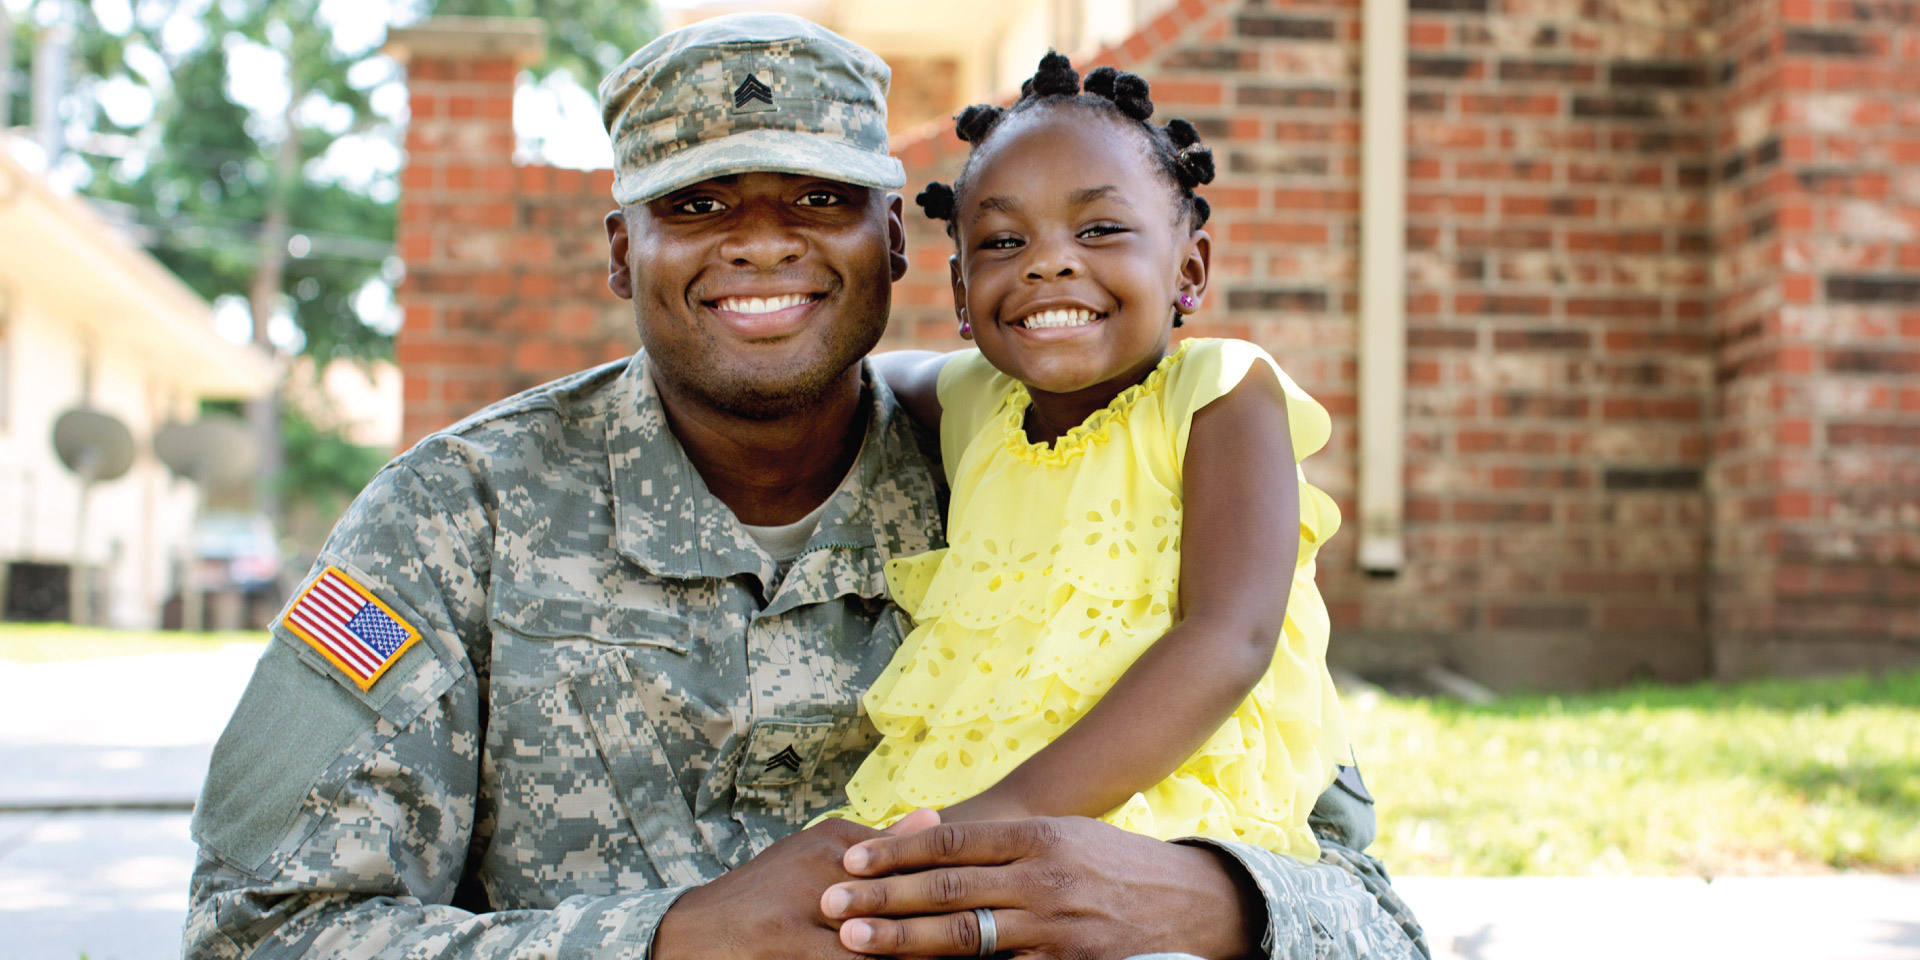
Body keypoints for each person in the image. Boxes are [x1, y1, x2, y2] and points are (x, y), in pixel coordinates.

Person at [183, 13, 1427, 960]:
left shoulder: (1055, 474)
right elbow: (257, 925)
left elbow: (1374, 915)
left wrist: (1197, 898)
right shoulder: (461, 516)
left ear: (896, 243)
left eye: (822, 200)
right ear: (625, 250)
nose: (764, 240)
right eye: (700, 202)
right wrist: (664, 940)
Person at [819, 51, 1347, 867]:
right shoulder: (980, 404)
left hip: (1160, 798)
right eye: (1002, 240)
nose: (1049, 261)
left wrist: (1005, 815)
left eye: (1099, 229)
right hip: (967, 791)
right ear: (962, 296)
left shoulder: (1219, 394)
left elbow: (1228, 639)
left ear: (1189, 269)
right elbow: (853, 374)